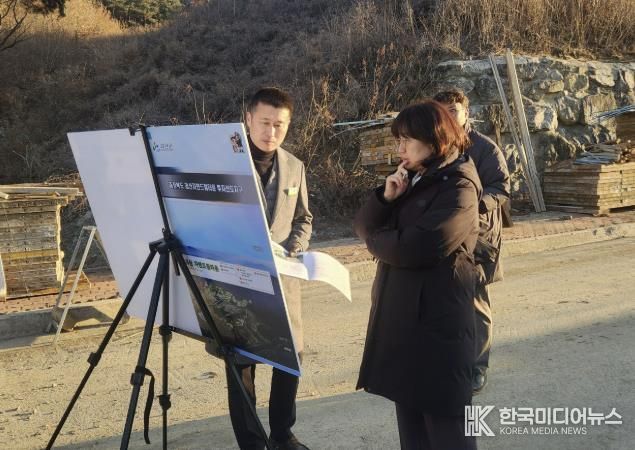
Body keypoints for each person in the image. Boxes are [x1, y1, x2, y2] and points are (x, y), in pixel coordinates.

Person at [353, 100, 482, 450]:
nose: (400, 149)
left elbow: (418, 246)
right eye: (399, 140)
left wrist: (377, 241)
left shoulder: (459, 186)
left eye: (407, 140)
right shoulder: (414, 178)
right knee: (413, 433)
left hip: (439, 332)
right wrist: (386, 197)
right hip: (405, 326)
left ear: (434, 138)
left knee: (449, 432)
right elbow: (363, 225)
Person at [224, 87, 312, 450]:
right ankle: (251, 442)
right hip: (238, 281)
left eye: (279, 125)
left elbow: (304, 218)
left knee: (289, 358)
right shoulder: (225, 164)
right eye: (264, 123)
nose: (271, 132)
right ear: (248, 119)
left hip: (283, 281)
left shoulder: (294, 166)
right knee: (242, 365)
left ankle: (282, 434)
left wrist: (295, 248)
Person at [434, 89, 511, 394]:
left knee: (476, 302)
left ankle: (478, 366)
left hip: (479, 237)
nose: (449, 116)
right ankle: (452, 361)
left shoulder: (483, 148)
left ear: (467, 113)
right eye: (443, 111)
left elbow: (501, 187)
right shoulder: (436, 145)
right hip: (446, 235)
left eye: (454, 110)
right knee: (446, 301)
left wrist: (471, 206)